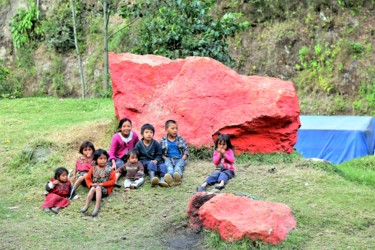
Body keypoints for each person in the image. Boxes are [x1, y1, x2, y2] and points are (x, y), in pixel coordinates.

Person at [80, 149, 116, 217]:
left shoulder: (109, 169)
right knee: (94, 188)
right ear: (96, 159)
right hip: (95, 187)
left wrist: (102, 184)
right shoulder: (93, 168)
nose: (103, 160)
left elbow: (113, 181)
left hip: (104, 189)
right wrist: (91, 184)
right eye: (101, 158)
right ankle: (86, 205)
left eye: (105, 158)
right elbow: (87, 178)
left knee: (98, 188)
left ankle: (97, 207)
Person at [134, 123, 168, 187]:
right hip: (144, 163)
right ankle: (152, 178)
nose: (149, 134)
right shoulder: (138, 144)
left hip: (155, 162)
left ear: (153, 134)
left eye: (151, 132)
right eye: (146, 132)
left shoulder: (156, 144)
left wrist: (157, 160)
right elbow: (136, 154)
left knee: (163, 165)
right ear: (142, 134)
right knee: (151, 163)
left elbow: (159, 154)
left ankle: (162, 179)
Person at [159, 120, 188, 186]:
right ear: (166, 129)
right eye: (172, 128)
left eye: (176, 128)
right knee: (169, 167)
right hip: (168, 158)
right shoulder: (162, 140)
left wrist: (183, 158)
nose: (175, 130)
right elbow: (160, 152)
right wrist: (165, 158)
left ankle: (178, 177)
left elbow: (186, 150)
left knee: (178, 167)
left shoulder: (181, 139)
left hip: (179, 158)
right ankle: (169, 177)